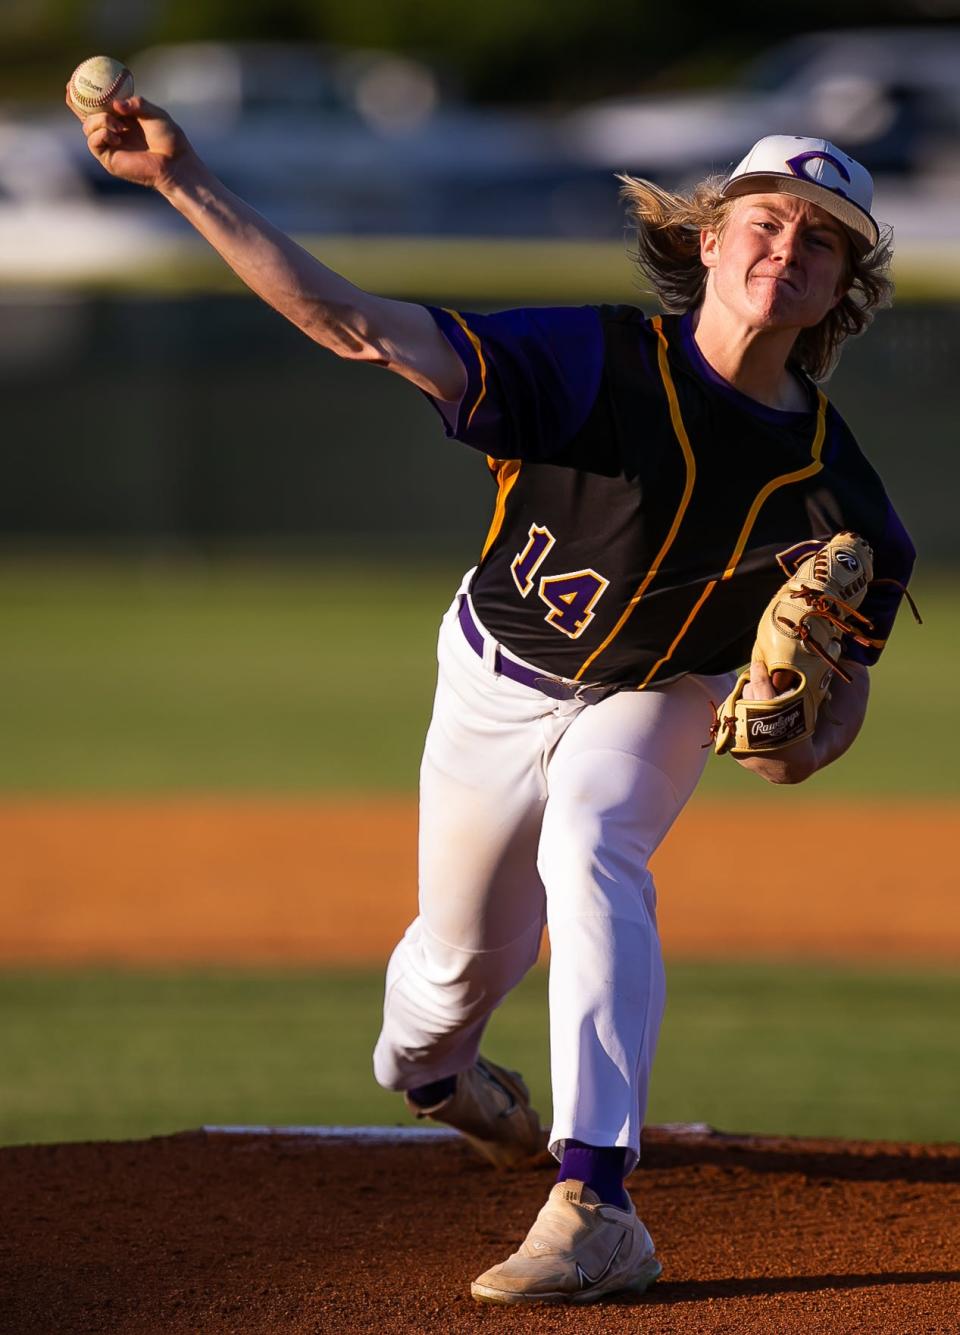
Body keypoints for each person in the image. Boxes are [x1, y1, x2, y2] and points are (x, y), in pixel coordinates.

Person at [75, 93, 915, 1305]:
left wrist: (792, 729)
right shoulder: (595, 360)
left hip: (656, 695)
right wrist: (179, 182)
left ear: (843, 286)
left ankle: (596, 1197)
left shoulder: (845, 500)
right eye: (767, 222)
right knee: (448, 982)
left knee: (595, 841)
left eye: (821, 239)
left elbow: (811, 745)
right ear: (710, 237)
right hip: (490, 680)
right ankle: (440, 1078)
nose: (787, 250)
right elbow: (357, 326)